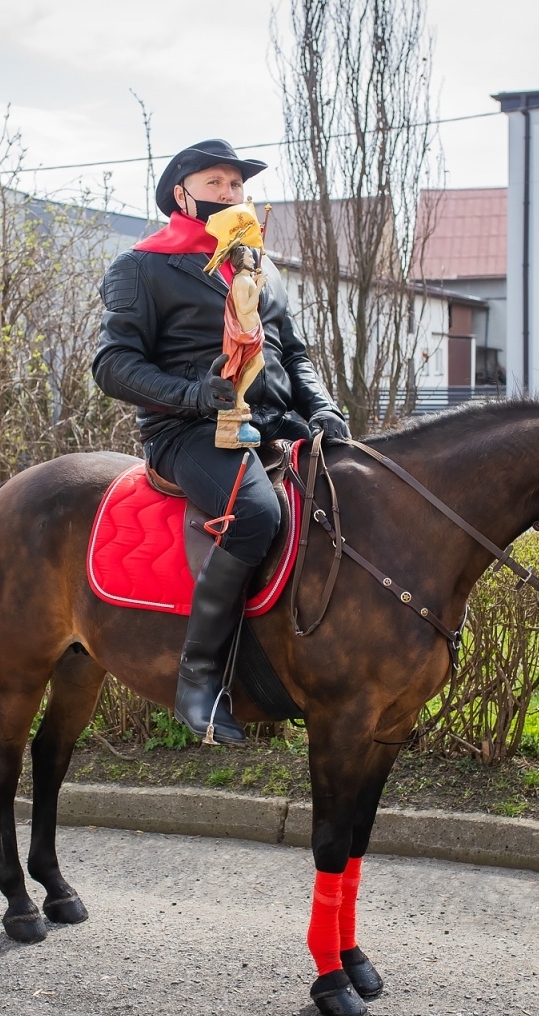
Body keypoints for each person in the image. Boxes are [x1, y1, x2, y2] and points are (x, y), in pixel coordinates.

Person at [93, 139, 349, 746]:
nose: (230, 194)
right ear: (181, 195)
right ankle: (198, 680)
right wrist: (191, 394)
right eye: (215, 184)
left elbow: (294, 353)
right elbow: (112, 364)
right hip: (189, 431)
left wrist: (321, 408)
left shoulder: (260, 266)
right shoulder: (142, 267)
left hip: (275, 423)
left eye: (236, 185)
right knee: (255, 513)